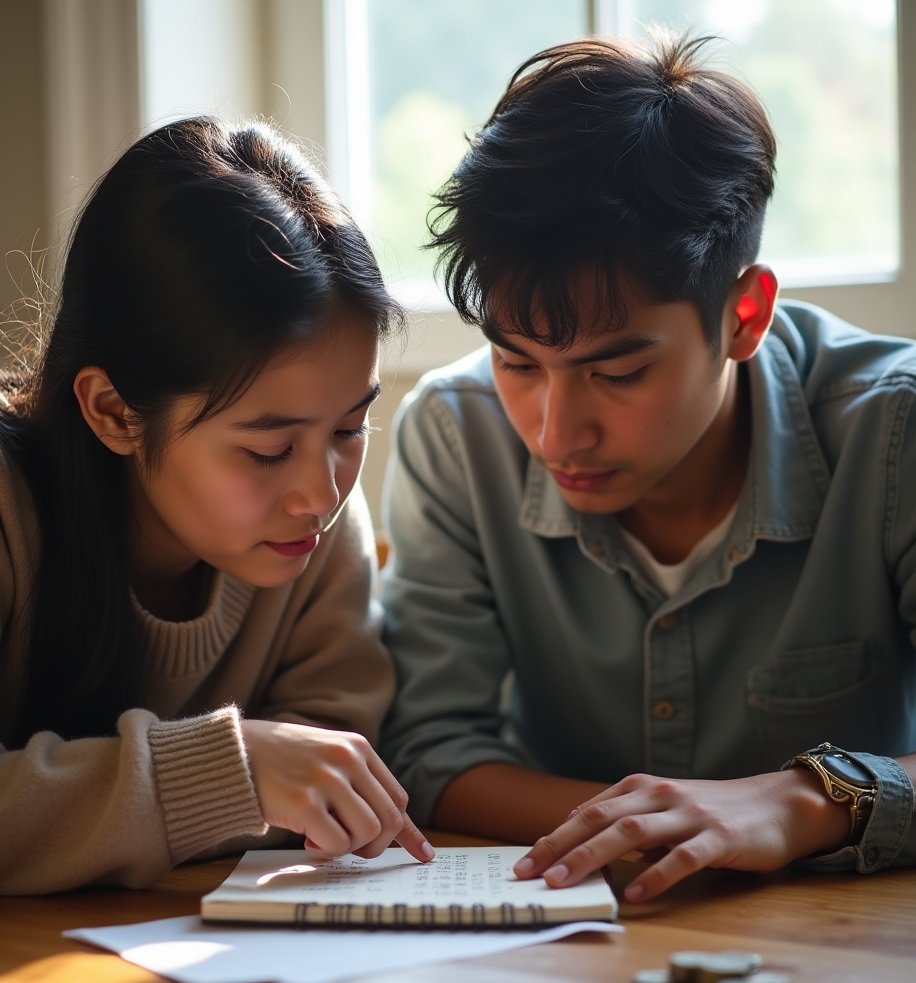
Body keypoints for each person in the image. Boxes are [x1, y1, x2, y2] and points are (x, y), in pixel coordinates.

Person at [379, 34, 916, 903]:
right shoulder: (454, 434)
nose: (557, 433)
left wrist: (800, 802)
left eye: (617, 372)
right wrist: (668, 826)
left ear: (745, 315)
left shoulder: (895, 429)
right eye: (516, 362)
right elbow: (434, 752)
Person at [0, 117, 432, 901]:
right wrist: (226, 773)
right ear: (113, 411)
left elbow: (331, 775)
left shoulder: (314, 532)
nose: (322, 492)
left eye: (350, 426)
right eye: (267, 449)